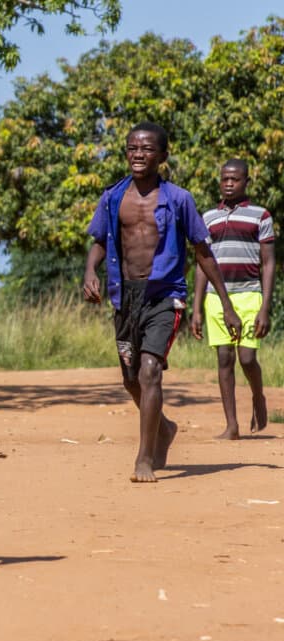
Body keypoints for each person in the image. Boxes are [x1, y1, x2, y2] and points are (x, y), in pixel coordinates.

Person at [83, 122, 241, 483]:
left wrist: (226, 304)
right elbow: (99, 241)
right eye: (132, 148)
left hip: (165, 294)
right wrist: (90, 271)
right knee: (131, 380)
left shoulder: (179, 199)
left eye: (147, 149)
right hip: (126, 296)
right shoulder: (112, 197)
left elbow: (202, 252)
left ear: (162, 156)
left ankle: (144, 457)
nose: (138, 155)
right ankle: (165, 428)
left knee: (150, 370)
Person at [191, 159, 276, 439]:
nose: (229, 184)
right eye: (224, 179)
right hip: (217, 297)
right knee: (224, 359)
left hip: (249, 294)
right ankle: (232, 425)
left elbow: (268, 264)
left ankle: (257, 395)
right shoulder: (207, 218)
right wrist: (197, 308)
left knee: (247, 357)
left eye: (235, 179)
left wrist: (265, 306)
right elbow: (203, 264)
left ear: (246, 182)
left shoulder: (260, 216)